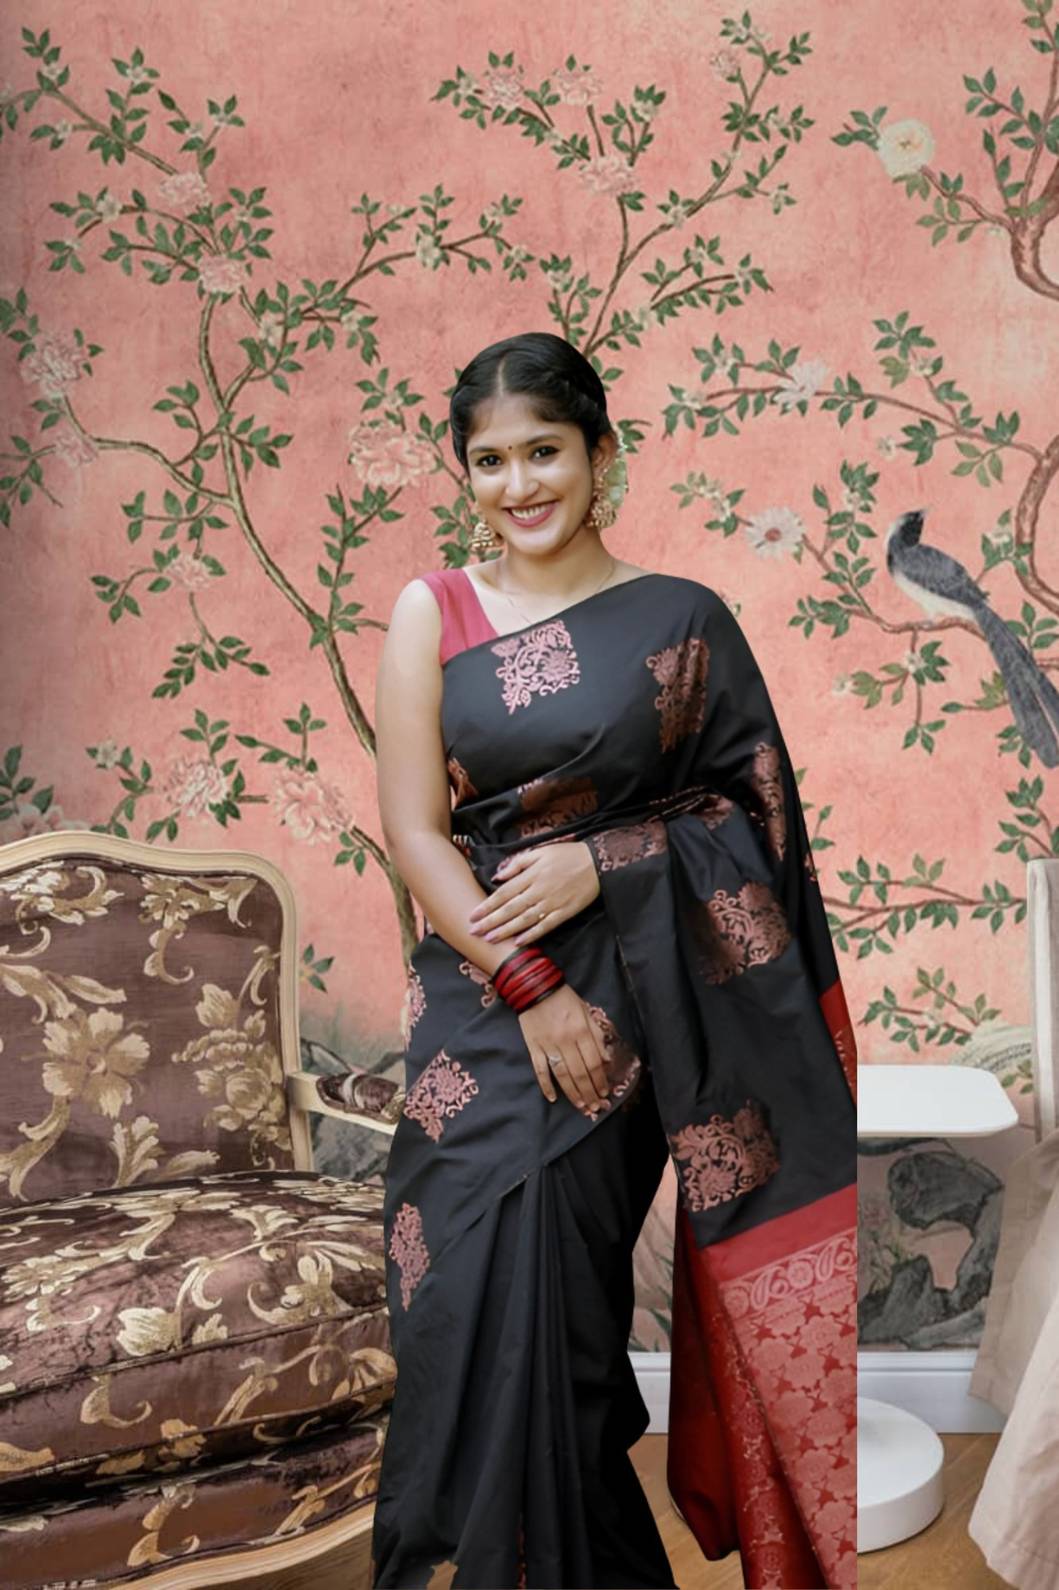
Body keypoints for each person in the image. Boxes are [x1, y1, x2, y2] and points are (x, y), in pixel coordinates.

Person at [370, 330, 858, 1589]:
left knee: (561, 1335)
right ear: (464, 473)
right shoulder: (433, 613)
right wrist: (523, 986)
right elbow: (417, 831)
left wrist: (609, 864)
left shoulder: (683, 619)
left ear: (601, 456)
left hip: (634, 1000)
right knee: (454, 1312)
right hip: (478, 1007)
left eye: (545, 451)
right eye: (490, 461)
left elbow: (755, 824)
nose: (520, 484)